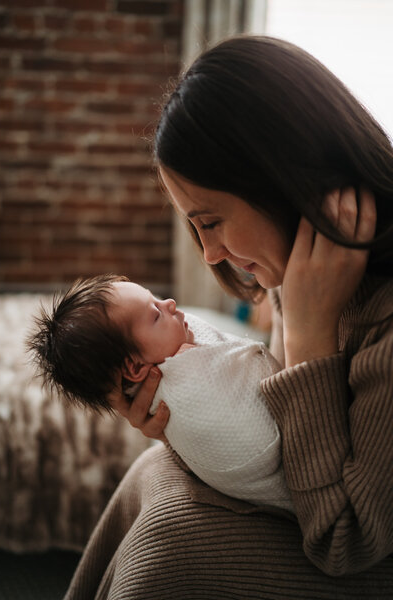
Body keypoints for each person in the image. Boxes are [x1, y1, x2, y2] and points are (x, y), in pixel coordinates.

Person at [64, 36, 393, 599]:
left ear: (277, 179)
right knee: (150, 473)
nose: (209, 254)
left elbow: (346, 539)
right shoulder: (296, 272)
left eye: (210, 221)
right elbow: (285, 435)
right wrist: (187, 427)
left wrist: (312, 331)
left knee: (168, 545)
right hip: (320, 501)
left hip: (357, 542)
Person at [28, 273, 292, 512]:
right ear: (134, 367)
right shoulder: (182, 391)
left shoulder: (176, 346)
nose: (171, 303)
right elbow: (257, 445)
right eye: (155, 314)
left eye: (157, 298)